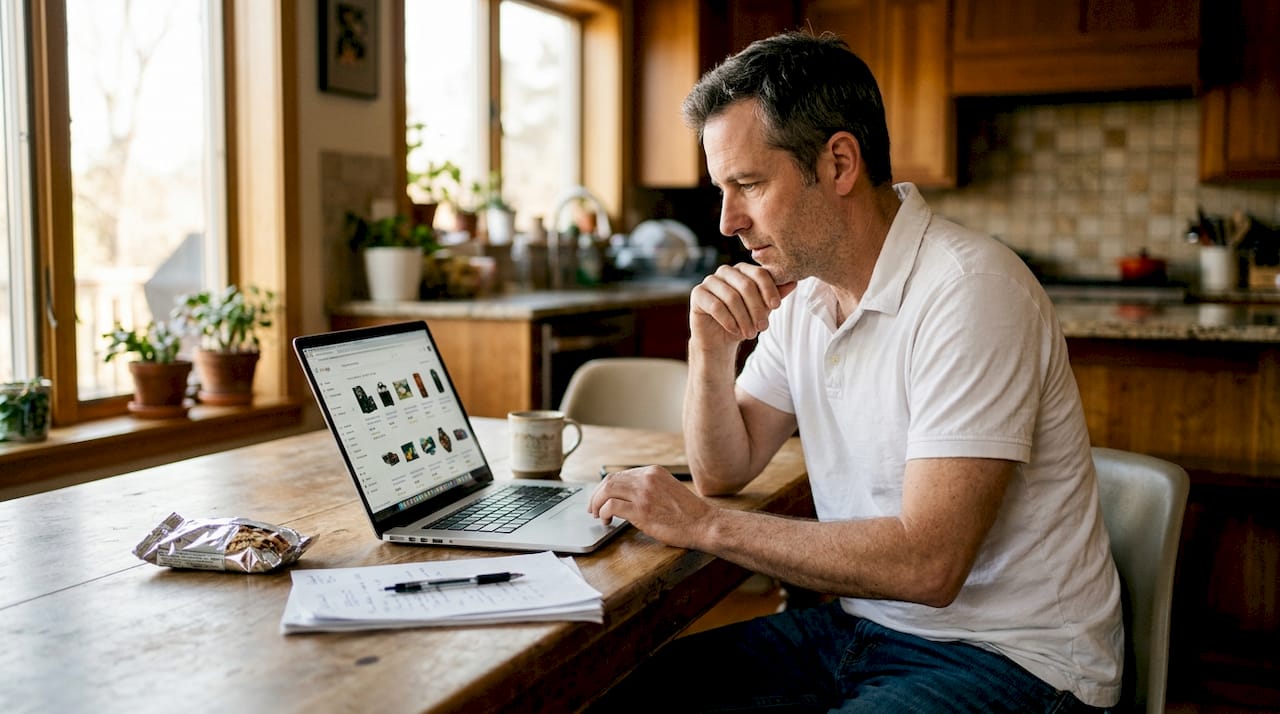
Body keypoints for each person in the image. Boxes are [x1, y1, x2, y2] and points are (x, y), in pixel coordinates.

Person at [588, 30, 1122, 713]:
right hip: (865, 629)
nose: (727, 221)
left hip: (1017, 661)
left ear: (839, 163)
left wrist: (704, 526)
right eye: (724, 189)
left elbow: (930, 564)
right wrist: (710, 349)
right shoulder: (806, 291)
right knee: (621, 694)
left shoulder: (970, 290)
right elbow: (726, 466)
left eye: (748, 183)